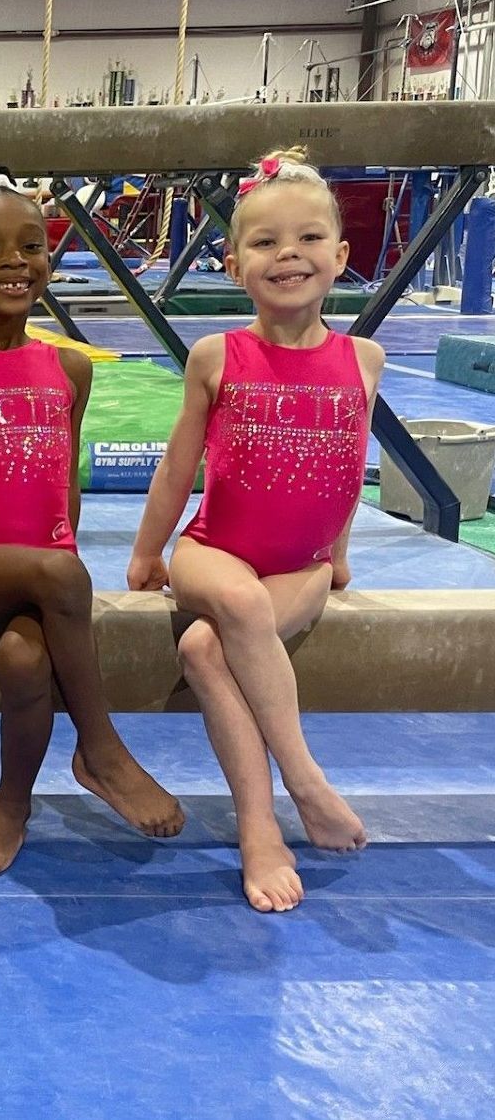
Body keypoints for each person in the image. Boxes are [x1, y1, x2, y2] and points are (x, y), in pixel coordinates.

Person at [0, 164, 185, 877]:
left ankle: (8, 809)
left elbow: (64, 486)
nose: (15, 261)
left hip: (48, 578)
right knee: (57, 569)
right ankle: (102, 749)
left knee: (25, 661)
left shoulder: (69, 369)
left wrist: (63, 598)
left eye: (31, 245)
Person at [129, 148, 378, 913]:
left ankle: (257, 823)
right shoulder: (218, 355)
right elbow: (178, 468)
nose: (288, 255)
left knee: (205, 648)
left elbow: (347, 464)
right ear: (234, 263)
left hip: (299, 565)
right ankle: (297, 785)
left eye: (307, 239)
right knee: (230, 612)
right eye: (266, 243)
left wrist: (337, 556)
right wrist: (146, 551)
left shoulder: (362, 361)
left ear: (340, 257)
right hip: (213, 551)